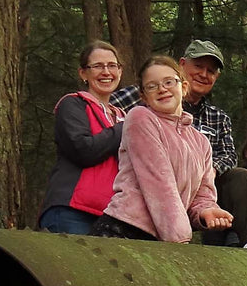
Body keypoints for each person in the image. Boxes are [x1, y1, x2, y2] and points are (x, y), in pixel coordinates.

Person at [112, 40, 247, 246]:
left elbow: (229, 156)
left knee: (240, 176)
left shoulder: (216, 119)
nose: (204, 74)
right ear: (182, 65)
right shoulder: (144, 105)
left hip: (200, 186)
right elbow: (104, 105)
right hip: (143, 194)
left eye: (211, 71)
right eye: (198, 66)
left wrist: (210, 171)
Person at [93, 56, 233, 243]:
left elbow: (203, 196)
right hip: (123, 230)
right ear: (143, 96)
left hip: (162, 239)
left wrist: (206, 211)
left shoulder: (201, 142)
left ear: (183, 87)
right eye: (152, 86)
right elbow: (159, 183)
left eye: (169, 82)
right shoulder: (140, 118)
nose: (162, 89)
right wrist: (180, 239)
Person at [38, 41, 126, 234]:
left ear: (120, 71)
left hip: (112, 216)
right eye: (97, 66)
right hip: (72, 210)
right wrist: (123, 130)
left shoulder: (123, 115)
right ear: (83, 73)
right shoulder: (73, 104)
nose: (106, 72)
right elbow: (83, 149)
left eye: (112, 65)